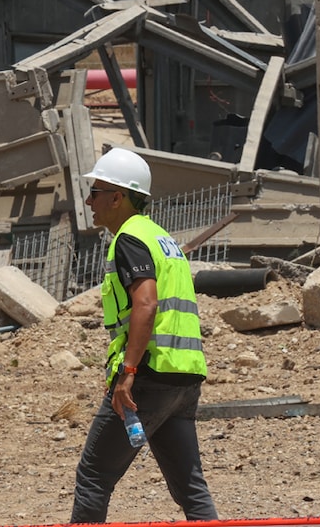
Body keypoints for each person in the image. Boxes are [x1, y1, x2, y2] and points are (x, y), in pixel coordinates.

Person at [69, 148, 218, 523]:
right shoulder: (162, 239)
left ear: (118, 196)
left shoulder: (130, 239)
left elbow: (146, 304)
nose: (90, 200)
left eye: (97, 191)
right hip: (183, 375)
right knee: (190, 487)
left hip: (148, 376)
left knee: (94, 476)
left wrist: (129, 372)